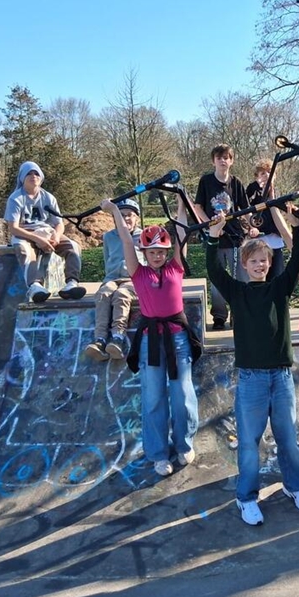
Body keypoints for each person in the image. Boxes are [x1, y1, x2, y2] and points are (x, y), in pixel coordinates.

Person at [205, 202, 299, 527]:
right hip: (251, 379)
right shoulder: (237, 291)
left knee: (286, 438)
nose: (259, 265)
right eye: (253, 261)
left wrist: (297, 226)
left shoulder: (279, 288)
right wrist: (213, 238)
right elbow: (214, 271)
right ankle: (247, 497)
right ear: (244, 264)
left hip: (280, 376)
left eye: (263, 261)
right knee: (250, 442)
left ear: (269, 263)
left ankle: (297, 487)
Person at [105, 199, 202, 477]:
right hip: (150, 342)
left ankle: (184, 443)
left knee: (183, 395)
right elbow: (125, 240)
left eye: (161, 251)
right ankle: (158, 453)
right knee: (154, 399)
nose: (157, 255)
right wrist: (114, 211)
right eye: (152, 251)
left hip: (178, 339)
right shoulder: (139, 273)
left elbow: (182, 231)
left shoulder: (175, 267)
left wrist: (183, 205)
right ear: (144, 252)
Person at [4, 161, 87, 303]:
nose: (33, 176)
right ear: (22, 177)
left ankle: (71, 284)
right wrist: (37, 239)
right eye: (29, 174)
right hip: (25, 233)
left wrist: (56, 235)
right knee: (24, 250)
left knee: (73, 246)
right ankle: (35, 286)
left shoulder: (48, 197)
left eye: (36, 173)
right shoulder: (16, 199)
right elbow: (13, 228)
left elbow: (59, 223)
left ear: (41, 177)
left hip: (48, 232)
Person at [193, 143, 252, 330]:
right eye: (219, 158)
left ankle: (239, 313)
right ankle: (219, 316)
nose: (223, 161)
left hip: (236, 238)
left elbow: (246, 209)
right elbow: (198, 207)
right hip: (216, 238)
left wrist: (253, 225)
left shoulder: (236, 183)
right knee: (217, 280)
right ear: (213, 161)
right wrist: (211, 225)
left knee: (241, 278)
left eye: (226, 157)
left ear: (231, 161)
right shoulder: (206, 181)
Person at [85, 199, 141, 362]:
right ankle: (100, 340)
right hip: (112, 278)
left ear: (137, 218)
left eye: (130, 215)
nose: (126, 219)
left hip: (133, 279)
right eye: (122, 215)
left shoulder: (143, 235)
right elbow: (107, 258)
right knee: (103, 294)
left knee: (122, 295)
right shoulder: (109, 237)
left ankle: (118, 337)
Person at [245, 159, 286, 278]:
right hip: (259, 241)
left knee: (277, 278)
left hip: (276, 243)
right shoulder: (253, 190)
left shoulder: (277, 193)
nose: (267, 175)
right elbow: (244, 206)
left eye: (269, 172)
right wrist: (251, 227)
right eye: (263, 173)